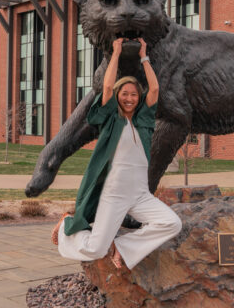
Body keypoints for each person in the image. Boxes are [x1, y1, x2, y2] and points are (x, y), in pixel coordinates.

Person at [51, 37, 182, 270]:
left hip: (140, 193)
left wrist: (144, 57)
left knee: (171, 223)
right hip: (115, 193)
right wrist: (116, 53)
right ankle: (65, 226)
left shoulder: (143, 121)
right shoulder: (111, 119)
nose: (129, 98)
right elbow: (108, 87)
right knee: (95, 249)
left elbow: (155, 88)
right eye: (125, 94)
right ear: (118, 96)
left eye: (133, 94)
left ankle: (123, 247)